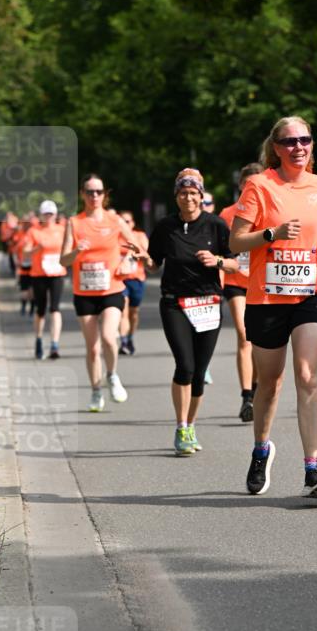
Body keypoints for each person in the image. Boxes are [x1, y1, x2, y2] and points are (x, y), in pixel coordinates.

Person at [230, 116, 317, 498]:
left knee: (307, 375)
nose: (298, 147)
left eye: (304, 140)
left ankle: (313, 471)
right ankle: (261, 449)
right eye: (290, 142)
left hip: (314, 289)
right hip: (267, 296)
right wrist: (271, 234)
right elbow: (236, 241)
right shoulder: (260, 186)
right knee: (270, 382)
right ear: (276, 148)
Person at [138, 168, 239, 455]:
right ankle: (181, 426)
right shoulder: (165, 227)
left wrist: (217, 261)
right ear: (176, 196)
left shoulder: (216, 225)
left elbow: (235, 264)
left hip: (208, 304)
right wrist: (143, 258)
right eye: (183, 192)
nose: (189, 198)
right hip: (175, 303)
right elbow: (154, 264)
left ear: (201, 195)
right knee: (185, 365)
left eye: (194, 193)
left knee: (199, 372)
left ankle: (191, 424)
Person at [60, 174, 137, 412]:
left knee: (108, 337)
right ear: (82, 194)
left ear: (105, 195)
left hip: (112, 289)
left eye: (99, 191)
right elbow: (63, 261)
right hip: (84, 293)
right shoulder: (74, 222)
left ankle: (112, 375)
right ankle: (95, 391)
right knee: (93, 348)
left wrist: (127, 261)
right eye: (90, 191)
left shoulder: (114, 220)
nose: (94, 196)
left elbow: (136, 246)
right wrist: (76, 251)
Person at [219, 162, 263, 421]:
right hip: (236, 280)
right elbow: (220, 249)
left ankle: (256, 390)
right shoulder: (227, 214)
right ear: (240, 186)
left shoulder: (269, 211)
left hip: (262, 281)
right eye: (248, 184)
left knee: (259, 341)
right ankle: (246, 396)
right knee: (244, 335)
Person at [23, 200, 66, 359]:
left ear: (55, 215)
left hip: (57, 273)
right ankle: (39, 339)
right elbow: (25, 253)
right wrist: (37, 248)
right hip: (39, 274)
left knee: (55, 308)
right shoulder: (34, 231)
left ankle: (54, 344)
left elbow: (69, 248)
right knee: (40, 310)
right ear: (41, 215)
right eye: (46, 214)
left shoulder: (62, 230)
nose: (48, 217)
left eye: (51, 214)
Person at [117, 210, 149, 356]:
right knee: (123, 311)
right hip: (119, 280)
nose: (125, 224)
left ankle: (130, 337)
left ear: (133, 223)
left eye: (128, 221)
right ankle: (123, 342)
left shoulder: (139, 236)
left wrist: (134, 253)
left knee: (133, 313)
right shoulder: (115, 236)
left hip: (136, 279)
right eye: (122, 221)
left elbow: (147, 254)